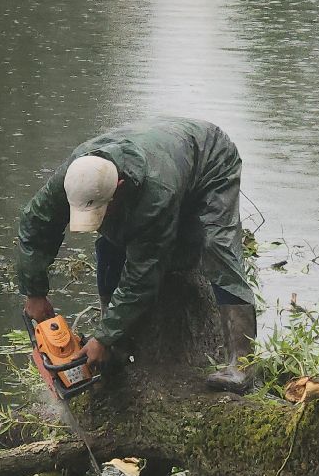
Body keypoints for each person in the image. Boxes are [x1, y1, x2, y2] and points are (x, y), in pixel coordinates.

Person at [14, 118, 258, 393]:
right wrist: (34, 291)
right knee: (109, 242)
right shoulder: (73, 177)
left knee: (216, 247)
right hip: (163, 153)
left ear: (118, 188)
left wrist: (103, 337)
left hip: (210, 158)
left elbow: (142, 275)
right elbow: (34, 223)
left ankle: (243, 363)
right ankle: (117, 347)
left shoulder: (157, 193)